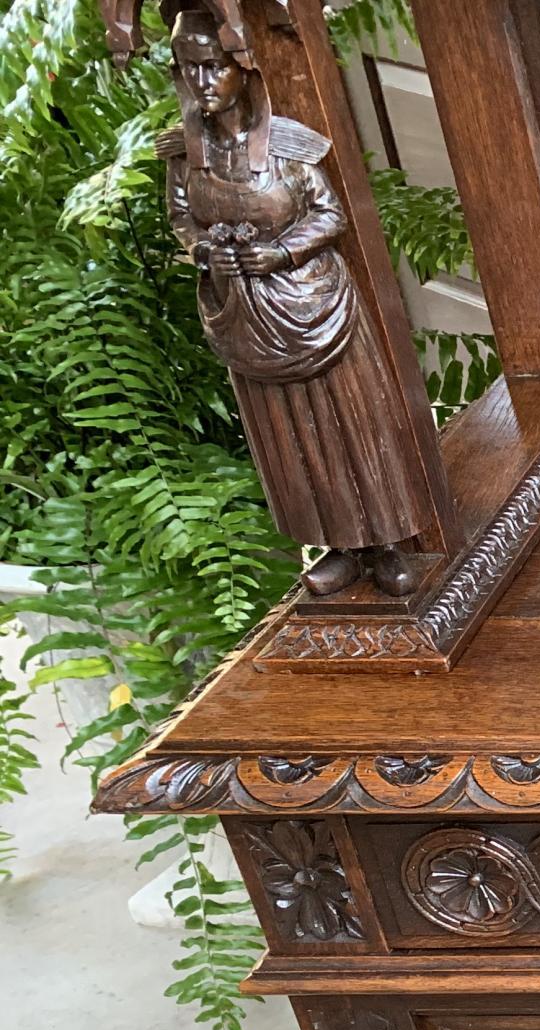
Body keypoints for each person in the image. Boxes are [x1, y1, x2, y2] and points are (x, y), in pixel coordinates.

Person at [158, 6, 427, 596]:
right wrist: (206, 252)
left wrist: (281, 253)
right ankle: (338, 546)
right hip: (243, 319)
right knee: (290, 441)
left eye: (211, 67)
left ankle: (388, 541)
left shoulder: (286, 146)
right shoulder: (184, 155)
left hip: (312, 306)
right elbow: (182, 221)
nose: (201, 83)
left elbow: (330, 213)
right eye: (187, 69)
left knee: (350, 423)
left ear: (241, 68)